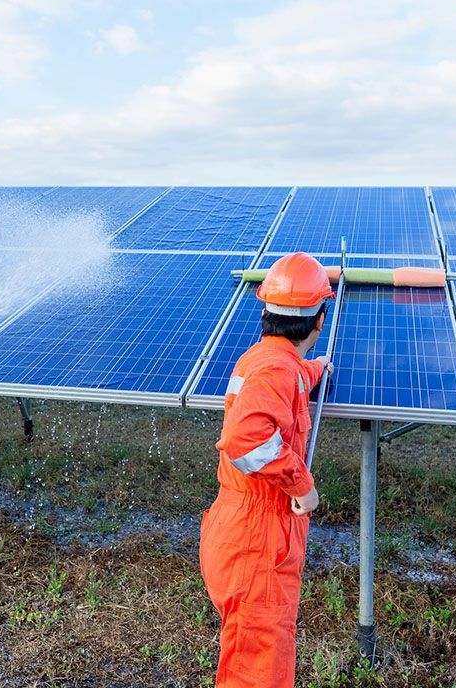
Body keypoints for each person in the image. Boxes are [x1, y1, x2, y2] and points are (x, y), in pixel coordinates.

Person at [199, 252, 336, 688]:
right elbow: (247, 438)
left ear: (266, 313)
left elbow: (284, 382)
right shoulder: (276, 368)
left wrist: (315, 370)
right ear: (319, 321)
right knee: (257, 676)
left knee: (249, 659)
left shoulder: (266, 361)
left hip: (240, 530)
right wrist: (302, 482)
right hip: (258, 543)